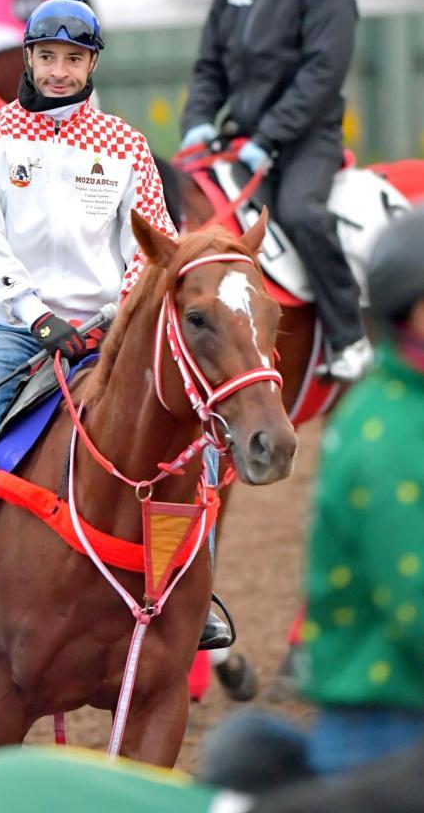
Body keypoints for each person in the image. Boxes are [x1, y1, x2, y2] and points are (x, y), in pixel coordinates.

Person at [0, 0, 232, 647]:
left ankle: (198, 591)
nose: (59, 71)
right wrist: (37, 316)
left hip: (108, 336)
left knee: (201, 448)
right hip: (10, 332)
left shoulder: (126, 145)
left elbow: (152, 243)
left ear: (92, 67)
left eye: (73, 60)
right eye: (47, 56)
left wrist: (116, 314)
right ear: (28, 57)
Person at [198, 204, 424, 792]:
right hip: (392, 725)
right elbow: (415, 597)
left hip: (303, 144)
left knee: (308, 208)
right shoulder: (395, 435)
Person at [180, 0, 371, 381]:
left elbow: (320, 77)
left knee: (302, 212)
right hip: (236, 140)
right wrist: (197, 120)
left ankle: (349, 335)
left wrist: (269, 137)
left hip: (305, 140)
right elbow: (209, 67)